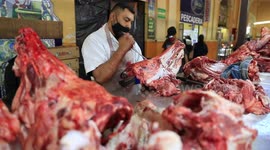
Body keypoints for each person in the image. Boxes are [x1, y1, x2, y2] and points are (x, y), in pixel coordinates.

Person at [81, 2, 144, 93]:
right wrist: (122, 49)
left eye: (131, 22)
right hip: (109, 102)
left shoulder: (131, 42)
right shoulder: (93, 40)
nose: (129, 26)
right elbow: (100, 77)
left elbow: (141, 70)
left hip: (133, 98)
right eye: (126, 20)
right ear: (112, 17)